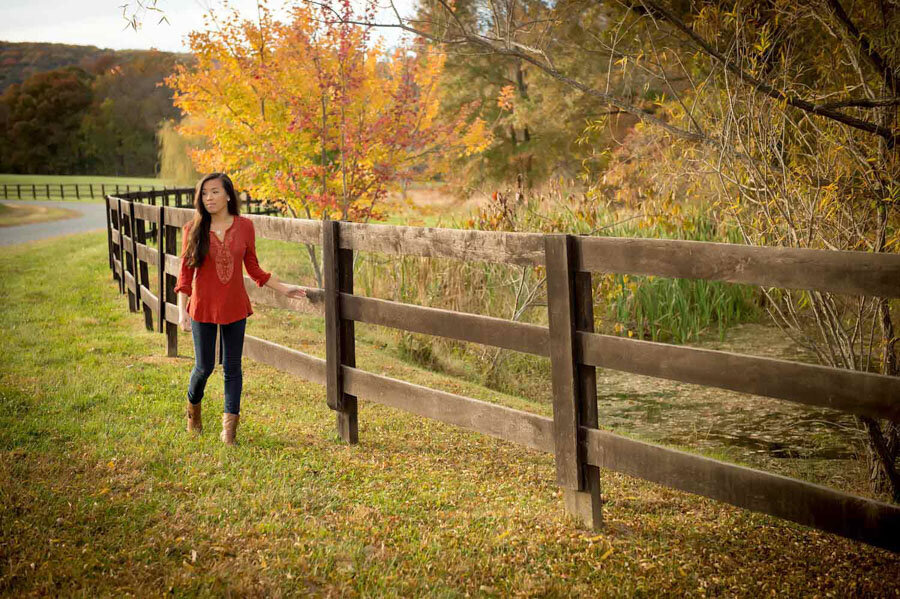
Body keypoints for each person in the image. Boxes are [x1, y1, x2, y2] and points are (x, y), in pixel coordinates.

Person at [175, 173, 306, 445]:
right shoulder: (193, 229)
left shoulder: (245, 227)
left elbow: (254, 268)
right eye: (204, 193)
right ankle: (193, 412)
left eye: (214, 192)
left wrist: (285, 289)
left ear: (227, 195)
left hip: (235, 306)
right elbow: (184, 277)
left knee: (233, 367)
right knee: (204, 367)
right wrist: (182, 311)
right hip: (203, 308)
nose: (208, 198)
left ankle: (229, 434)